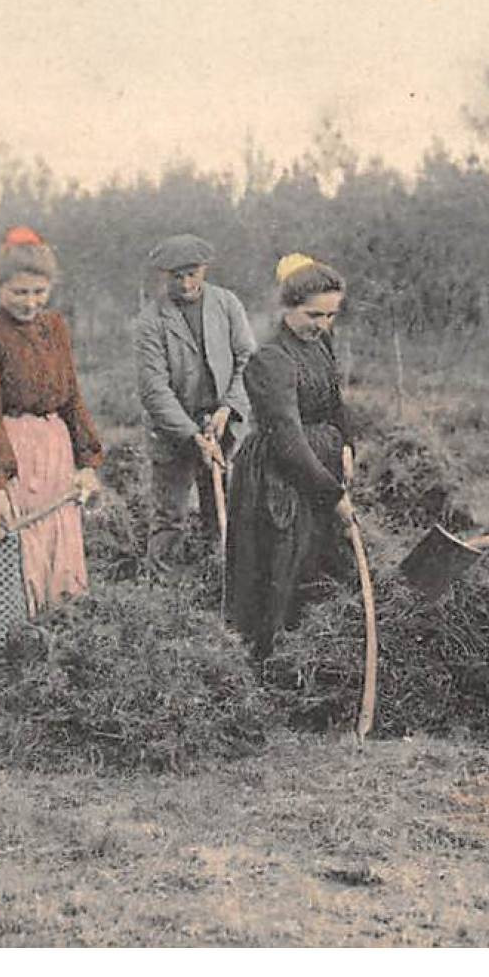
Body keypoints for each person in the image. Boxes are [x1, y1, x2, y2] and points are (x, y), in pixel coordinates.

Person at [0, 227, 105, 667]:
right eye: (19, 292)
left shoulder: (55, 328)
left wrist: (87, 461)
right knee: (9, 556)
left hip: (55, 453)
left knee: (57, 554)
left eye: (38, 292)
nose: (29, 302)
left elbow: (72, 397)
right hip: (8, 455)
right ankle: (8, 660)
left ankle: (57, 651)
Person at [225, 254, 356, 661]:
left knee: (320, 561)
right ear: (288, 307)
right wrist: (332, 495)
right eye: (313, 314)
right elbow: (287, 438)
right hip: (280, 478)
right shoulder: (271, 360)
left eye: (331, 315)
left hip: (319, 466)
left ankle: (311, 656)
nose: (322, 324)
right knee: (282, 564)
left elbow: (336, 403)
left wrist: (348, 445)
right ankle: (268, 661)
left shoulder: (321, 346)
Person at [133, 233, 255, 570]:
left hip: (223, 425)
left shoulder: (227, 304)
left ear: (205, 270)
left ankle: (218, 574)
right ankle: (164, 594)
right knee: (170, 517)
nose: (186, 284)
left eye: (192, 273)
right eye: (177, 276)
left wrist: (228, 408)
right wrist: (192, 436)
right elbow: (154, 389)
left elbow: (247, 360)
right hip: (174, 433)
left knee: (223, 508)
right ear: (164, 276)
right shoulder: (151, 321)